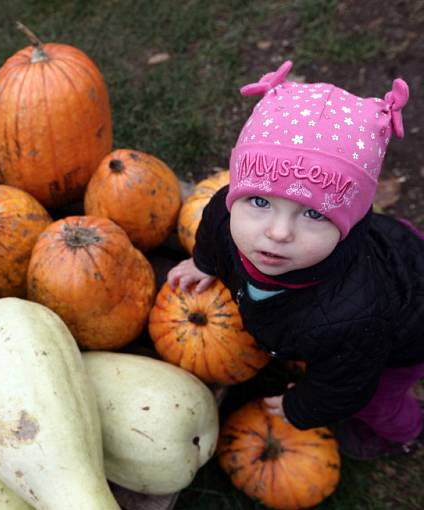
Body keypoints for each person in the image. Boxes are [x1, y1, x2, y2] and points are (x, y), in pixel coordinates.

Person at [167, 60, 424, 460]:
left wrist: (301, 407)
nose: (279, 232)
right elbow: (214, 225)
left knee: (376, 400)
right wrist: (205, 262)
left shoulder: (356, 315)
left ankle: (404, 433)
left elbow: (346, 381)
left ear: (349, 222)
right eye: (259, 201)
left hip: (406, 326)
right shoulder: (225, 213)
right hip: (389, 252)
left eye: (314, 213)